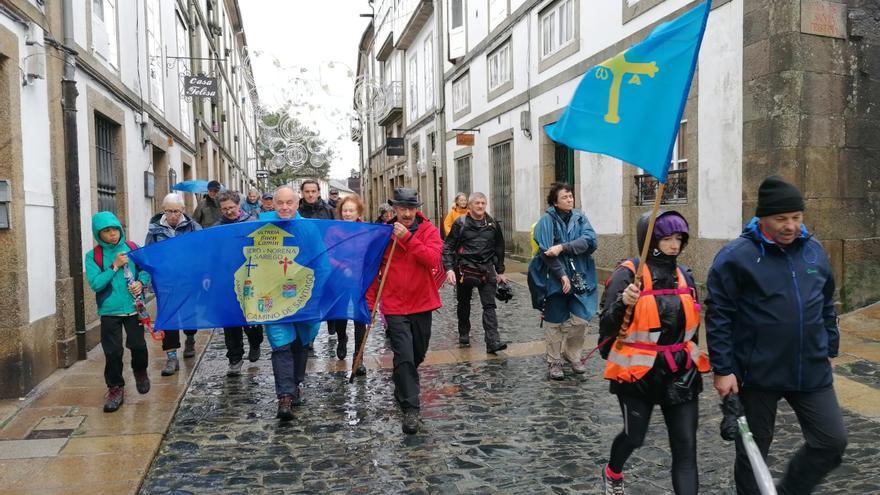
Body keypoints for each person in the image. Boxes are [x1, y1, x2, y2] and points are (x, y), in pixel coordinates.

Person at [706, 176, 847, 495]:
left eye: (796, 218)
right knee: (753, 452)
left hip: (810, 367)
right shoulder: (736, 256)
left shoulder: (814, 251)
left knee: (831, 440)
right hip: (757, 373)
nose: (790, 226)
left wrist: (830, 347)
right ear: (762, 218)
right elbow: (719, 315)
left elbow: (826, 301)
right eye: (781, 219)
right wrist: (723, 369)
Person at [598, 211, 710, 495]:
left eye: (678, 238)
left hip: (680, 372)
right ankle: (613, 472)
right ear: (650, 240)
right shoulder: (628, 275)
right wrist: (624, 302)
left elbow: (692, 328)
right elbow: (606, 328)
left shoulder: (684, 276)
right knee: (634, 437)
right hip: (639, 375)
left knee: (686, 447)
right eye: (666, 238)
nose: (674, 245)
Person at [366, 188, 443, 435]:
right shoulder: (384, 233)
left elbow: (432, 259)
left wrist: (408, 240)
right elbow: (371, 271)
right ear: (395, 209)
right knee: (405, 355)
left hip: (422, 302)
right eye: (402, 208)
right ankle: (411, 410)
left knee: (416, 355)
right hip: (395, 305)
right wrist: (370, 305)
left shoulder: (429, 230)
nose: (407, 213)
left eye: (411, 208)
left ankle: (403, 386)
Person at [261, 186, 321, 421]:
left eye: (289, 203)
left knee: (300, 342)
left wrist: (316, 294)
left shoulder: (309, 228)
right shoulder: (261, 227)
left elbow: (321, 262)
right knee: (281, 344)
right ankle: (284, 396)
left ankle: (295, 382)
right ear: (272, 204)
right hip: (272, 297)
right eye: (280, 203)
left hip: (304, 295)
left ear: (297, 204)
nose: (285, 207)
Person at [527, 182, 598, 380]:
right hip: (552, 277)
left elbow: (590, 241)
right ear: (555, 202)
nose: (569, 200)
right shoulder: (546, 221)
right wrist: (561, 274)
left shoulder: (580, 218)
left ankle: (572, 353)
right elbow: (546, 251)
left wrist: (563, 247)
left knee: (582, 317)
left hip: (580, 274)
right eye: (565, 197)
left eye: (571, 196)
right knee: (554, 320)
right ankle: (554, 361)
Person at [85, 211, 152, 412]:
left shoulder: (132, 248)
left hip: (134, 308)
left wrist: (141, 283)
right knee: (113, 352)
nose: (112, 234)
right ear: (98, 234)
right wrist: (114, 266)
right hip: (110, 311)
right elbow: (96, 284)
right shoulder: (93, 256)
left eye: (114, 229)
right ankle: (115, 387)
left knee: (138, 346)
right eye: (106, 231)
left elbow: (146, 269)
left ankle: (140, 372)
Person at [442, 192, 508, 353]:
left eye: (483, 203)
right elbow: (448, 247)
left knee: (489, 305)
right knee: (464, 303)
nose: (480, 206)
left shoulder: (492, 223)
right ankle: (464, 332)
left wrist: (499, 270)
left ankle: (492, 341)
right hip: (464, 269)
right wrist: (449, 269)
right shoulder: (460, 223)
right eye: (477, 203)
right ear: (469, 206)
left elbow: (499, 246)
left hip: (486, 269)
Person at [145, 193, 202, 376]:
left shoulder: (194, 227)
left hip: (188, 280)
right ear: (163, 210)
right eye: (169, 211)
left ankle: (190, 338)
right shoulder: (154, 230)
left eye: (176, 211)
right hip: (166, 283)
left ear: (183, 210)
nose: (173, 215)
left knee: (188, 316)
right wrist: (149, 280)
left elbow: (203, 250)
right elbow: (149, 255)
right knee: (168, 319)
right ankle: (171, 357)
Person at [215, 190, 264, 376]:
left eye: (232, 207)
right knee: (230, 321)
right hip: (226, 280)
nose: (228, 211)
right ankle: (234, 358)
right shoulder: (217, 228)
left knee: (251, 318)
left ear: (239, 205)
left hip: (250, 277)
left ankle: (255, 341)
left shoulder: (252, 222)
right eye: (224, 208)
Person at [327, 194, 368, 376]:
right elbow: (328, 253)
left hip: (360, 279)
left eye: (351, 210)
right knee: (341, 314)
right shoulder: (334, 230)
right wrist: (342, 267)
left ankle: (358, 358)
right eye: (345, 210)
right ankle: (342, 337)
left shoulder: (366, 230)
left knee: (360, 316)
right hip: (340, 278)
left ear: (358, 211)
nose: (348, 213)